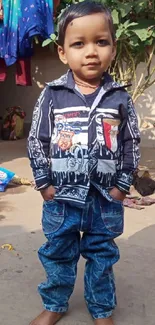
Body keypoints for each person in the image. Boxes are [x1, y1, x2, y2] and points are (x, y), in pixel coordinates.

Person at [27, 1, 140, 325]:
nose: (91, 52)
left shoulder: (119, 97)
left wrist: (121, 186)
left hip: (105, 200)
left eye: (101, 41)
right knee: (58, 253)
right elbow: (37, 140)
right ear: (63, 52)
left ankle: (101, 309)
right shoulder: (52, 95)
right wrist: (44, 183)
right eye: (79, 43)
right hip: (61, 198)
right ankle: (55, 305)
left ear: (113, 48)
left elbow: (132, 142)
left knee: (102, 256)